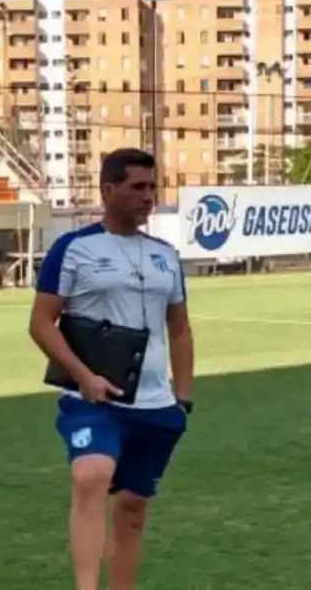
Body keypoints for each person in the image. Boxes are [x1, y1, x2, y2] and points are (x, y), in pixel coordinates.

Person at [28, 148, 194, 590]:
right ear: (107, 190)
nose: (148, 196)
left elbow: (179, 327)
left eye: (152, 187)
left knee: (133, 508)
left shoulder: (166, 255)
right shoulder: (73, 248)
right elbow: (41, 323)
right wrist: (83, 376)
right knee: (91, 476)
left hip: (156, 404)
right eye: (137, 187)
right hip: (92, 399)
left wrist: (183, 397)